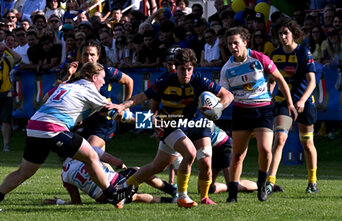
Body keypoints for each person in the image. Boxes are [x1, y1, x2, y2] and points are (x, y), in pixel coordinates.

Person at [0, 62, 133, 212]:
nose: (104, 82)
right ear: (93, 77)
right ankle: (111, 194)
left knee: (24, 172)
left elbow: (46, 98)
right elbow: (117, 114)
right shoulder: (90, 91)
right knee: (91, 155)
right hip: (51, 127)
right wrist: (149, 121)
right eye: (103, 78)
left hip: (34, 126)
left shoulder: (68, 85)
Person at [108, 48, 234, 208]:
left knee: (198, 163)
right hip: (169, 123)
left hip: (197, 123)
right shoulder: (166, 80)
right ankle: (182, 197)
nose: (186, 73)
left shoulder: (200, 80)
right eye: (183, 69)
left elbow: (228, 95)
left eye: (189, 69)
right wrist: (122, 106)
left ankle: (204, 197)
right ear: (176, 68)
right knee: (189, 154)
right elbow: (142, 97)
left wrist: (219, 107)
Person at [219, 27, 297, 203]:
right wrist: (218, 106)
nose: (233, 47)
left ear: (245, 42)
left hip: (263, 110)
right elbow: (225, 95)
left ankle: (262, 183)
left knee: (266, 150)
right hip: (241, 111)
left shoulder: (260, 58)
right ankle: (232, 194)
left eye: (236, 43)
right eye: (230, 44)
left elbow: (280, 80)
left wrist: (290, 104)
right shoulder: (227, 68)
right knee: (238, 154)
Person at [268, 18, 318, 194]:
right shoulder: (275, 55)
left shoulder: (304, 53)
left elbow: (312, 82)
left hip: (304, 103)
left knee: (307, 143)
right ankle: (270, 182)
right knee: (280, 139)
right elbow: (272, 80)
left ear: (294, 34)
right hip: (283, 102)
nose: (283, 37)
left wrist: (302, 100)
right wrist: (269, 95)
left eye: (286, 33)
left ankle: (312, 182)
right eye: (280, 34)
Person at [45, 146, 178, 208]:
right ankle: (172, 190)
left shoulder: (64, 175)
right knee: (138, 171)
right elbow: (114, 160)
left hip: (104, 199)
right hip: (115, 183)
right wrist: (121, 165)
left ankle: (171, 201)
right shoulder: (88, 150)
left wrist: (60, 202)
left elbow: (76, 201)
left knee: (134, 196)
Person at [67, 40, 134, 150]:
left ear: (98, 56)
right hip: (86, 121)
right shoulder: (76, 74)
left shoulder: (107, 71)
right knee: (94, 158)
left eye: (92, 54)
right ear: (80, 56)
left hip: (105, 121)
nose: (89, 58)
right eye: (85, 54)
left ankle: (162, 122)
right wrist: (68, 77)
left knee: (88, 153)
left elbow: (129, 81)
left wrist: (126, 106)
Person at [0, 42, 21, 152]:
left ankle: (6, 145)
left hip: (6, 94)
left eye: (1, 51)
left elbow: (18, 57)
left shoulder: (8, 60)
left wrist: (7, 48)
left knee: (6, 120)